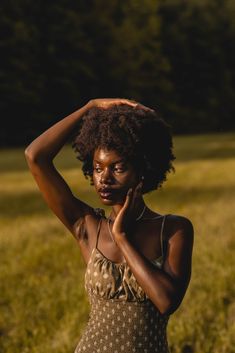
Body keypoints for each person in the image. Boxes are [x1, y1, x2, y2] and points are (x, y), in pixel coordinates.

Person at [25, 98, 194, 353]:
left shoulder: (172, 230)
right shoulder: (87, 227)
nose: (104, 178)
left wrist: (122, 237)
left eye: (118, 168)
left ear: (143, 171)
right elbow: (35, 156)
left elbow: (166, 301)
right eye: (97, 168)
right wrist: (89, 108)